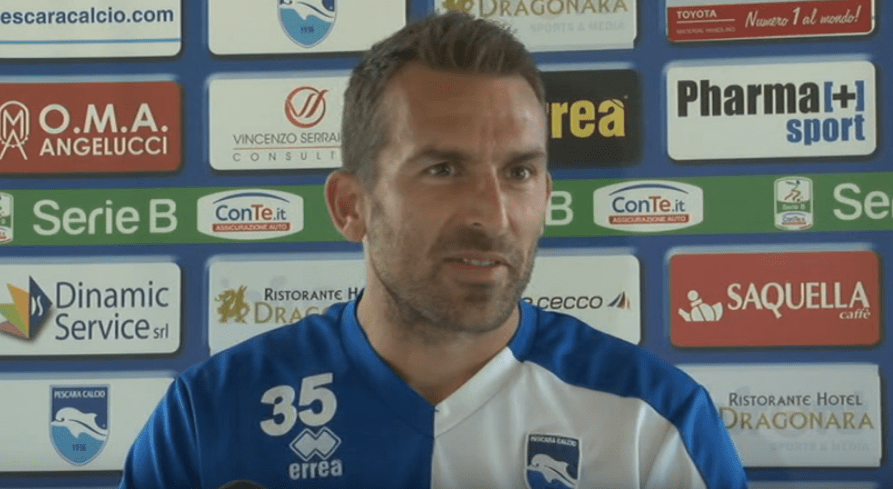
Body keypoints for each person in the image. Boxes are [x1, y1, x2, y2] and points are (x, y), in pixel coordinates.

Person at [119, 11, 747, 489]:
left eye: (519, 173)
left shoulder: (654, 422)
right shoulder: (211, 416)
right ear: (350, 206)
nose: (493, 215)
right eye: (444, 170)